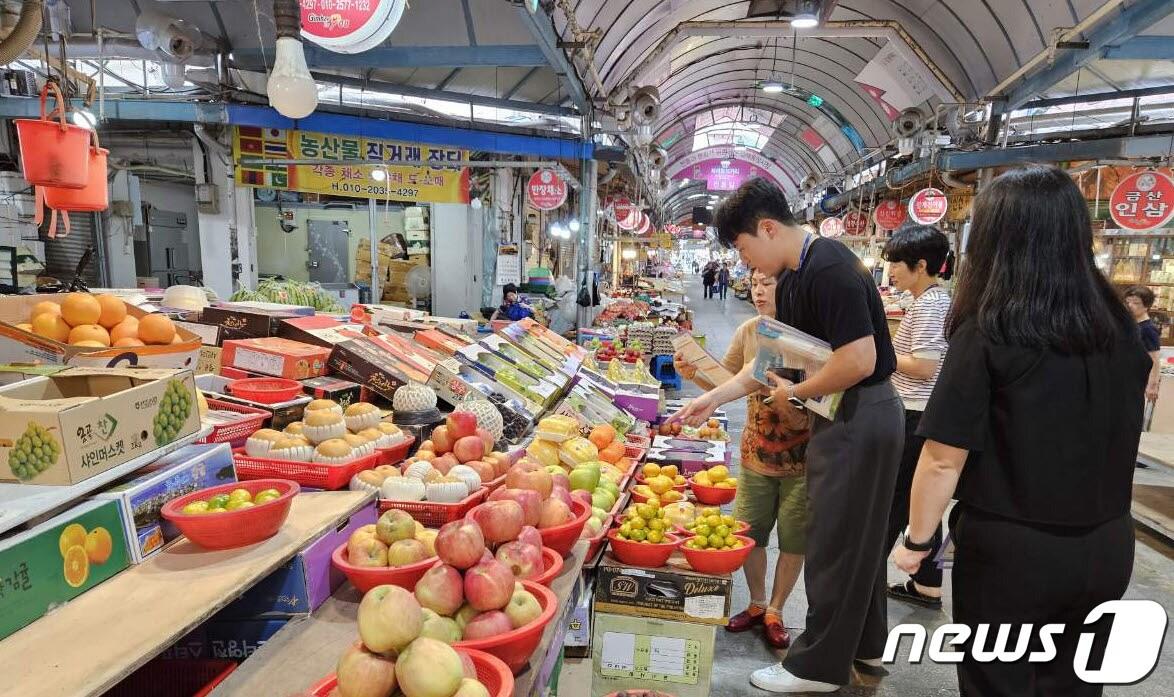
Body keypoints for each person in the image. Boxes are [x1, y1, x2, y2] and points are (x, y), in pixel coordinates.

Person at [893, 165, 1150, 697]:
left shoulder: (991, 330)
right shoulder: (1119, 329)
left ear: (993, 241)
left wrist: (917, 541)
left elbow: (943, 458)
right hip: (1106, 544)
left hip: (1013, 550)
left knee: (998, 683)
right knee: (1075, 684)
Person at [674, 178, 903, 693]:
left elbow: (859, 360)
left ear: (768, 227)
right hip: (845, 416)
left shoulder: (830, 268)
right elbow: (772, 362)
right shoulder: (796, 275)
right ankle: (864, 650)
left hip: (859, 415)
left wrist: (798, 396)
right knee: (857, 541)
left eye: (743, 247)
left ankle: (816, 668)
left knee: (835, 543)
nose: (747, 262)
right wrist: (712, 398)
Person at [674, 269, 808, 649]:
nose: (760, 290)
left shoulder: (809, 334)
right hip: (755, 454)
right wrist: (694, 375)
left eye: (768, 283)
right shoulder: (749, 330)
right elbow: (726, 382)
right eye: (755, 284)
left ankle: (777, 610)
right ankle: (756, 603)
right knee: (750, 534)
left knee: (796, 540)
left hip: (804, 459)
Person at [879, 224, 954, 608]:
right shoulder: (928, 301)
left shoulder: (930, 305)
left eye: (895, 263)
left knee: (895, 499)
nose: (890, 270)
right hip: (916, 411)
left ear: (921, 264)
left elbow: (924, 366)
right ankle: (928, 585)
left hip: (915, 414)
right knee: (921, 502)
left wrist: (881, 355)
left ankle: (869, 574)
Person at [1124, 285, 1162, 403]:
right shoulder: (1131, 324)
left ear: (1146, 306)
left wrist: (1152, 385)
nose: (1130, 306)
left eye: (1136, 303)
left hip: (1138, 380)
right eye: (1128, 302)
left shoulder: (1148, 329)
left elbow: (1154, 360)